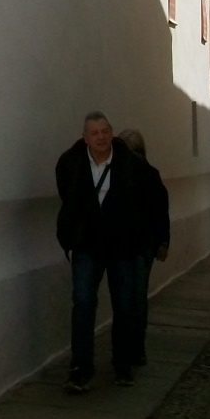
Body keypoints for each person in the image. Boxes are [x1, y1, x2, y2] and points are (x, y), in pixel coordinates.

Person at [56, 111, 148, 391]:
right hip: (87, 245)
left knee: (124, 305)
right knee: (83, 302)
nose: (101, 137)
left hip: (122, 245)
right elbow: (68, 197)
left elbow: (140, 198)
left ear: (111, 132)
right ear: (85, 137)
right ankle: (81, 367)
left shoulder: (129, 163)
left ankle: (122, 364)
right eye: (94, 133)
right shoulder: (71, 163)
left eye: (105, 131)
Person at [117, 128, 170, 365]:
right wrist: (163, 241)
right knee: (137, 296)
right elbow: (161, 211)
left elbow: (159, 210)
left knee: (128, 297)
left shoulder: (125, 173)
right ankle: (135, 346)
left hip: (132, 243)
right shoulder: (151, 173)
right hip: (143, 243)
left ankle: (129, 346)